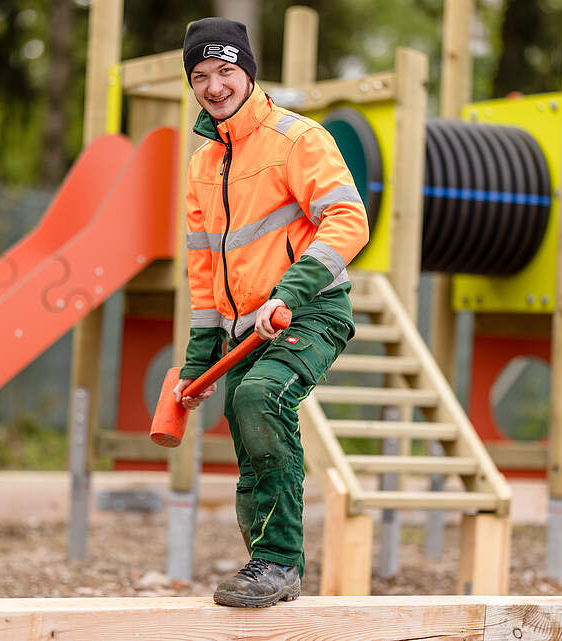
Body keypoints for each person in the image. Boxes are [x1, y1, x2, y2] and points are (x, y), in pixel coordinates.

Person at [174, 17, 369, 608]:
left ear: (248, 72)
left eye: (225, 70)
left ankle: (282, 563)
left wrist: (288, 291)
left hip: (310, 310)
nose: (214, 86)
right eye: (201, 75)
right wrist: (194, 365)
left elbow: (348, 219)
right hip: (242, 332)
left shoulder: (297, 139)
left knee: (262, 397)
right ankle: (264, 564)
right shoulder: (202, 164)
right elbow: (205, 273)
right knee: (244, 418)